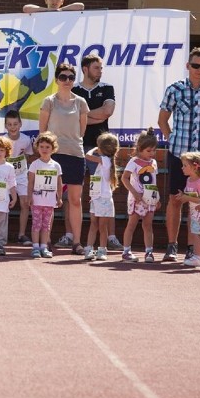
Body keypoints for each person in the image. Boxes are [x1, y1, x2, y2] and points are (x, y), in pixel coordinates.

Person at [158, 47, 200, 261]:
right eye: (195, 65)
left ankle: (191, 247)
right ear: (188, 65)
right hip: (178, 155)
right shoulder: (175, 89)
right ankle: (171, 245)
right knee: (176, 199)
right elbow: (162, 120)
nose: (199, 69)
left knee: (196, 202)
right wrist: (172, 140)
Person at [73, 53, 122, 251]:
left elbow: (107, 112)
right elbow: (73, 116)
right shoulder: (74, 90)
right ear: (85, 69)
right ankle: (71, 236)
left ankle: (111, 237)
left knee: (105, 192)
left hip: (102, 150)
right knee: (74, 193)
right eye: (96, 68)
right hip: (77, 145)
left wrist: (82, 116)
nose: (100, 72)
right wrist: (90, 116)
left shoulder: (107, 88)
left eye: (101, 68)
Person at [39, 62, 89, 255]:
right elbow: (43, 130)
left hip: (76, 154)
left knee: (75, 200)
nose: (67, 81)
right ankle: (46, 242)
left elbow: (81, 130)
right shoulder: (49, 101)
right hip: (54, 155)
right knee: (49, 199)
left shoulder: (81, 102)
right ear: (57, 80)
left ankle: (77, 242)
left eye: (70, 77)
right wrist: (46, 152)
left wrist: (71, 142)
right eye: (63, 77)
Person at [121, 128, 160, 263]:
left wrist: (157, 197)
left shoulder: (153, 163)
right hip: (136, 199)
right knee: (131, 224)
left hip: (150, 199)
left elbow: (154, 180)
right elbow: (124, 178)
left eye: (154, 150)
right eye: (148, 151)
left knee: (148, 225)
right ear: (139, 149)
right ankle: (126, 251)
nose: (152, 153)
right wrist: (134, 192)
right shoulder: (133, 161)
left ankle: (149, 252)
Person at [27, 132, 63, 259]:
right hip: (37, 199)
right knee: (36, 223)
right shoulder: (35, 164)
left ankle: (44, 246)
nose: (44, 149)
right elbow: (30, 181)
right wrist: (29, 196)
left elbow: (59, 183)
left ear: (53, 148)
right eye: (41, 147)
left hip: (49, 200)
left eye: (47, 147)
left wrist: (59, 197)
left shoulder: (56, 165)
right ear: (37, 148)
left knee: (46, 225)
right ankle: (35, 247)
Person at [83, 132, 119, 262]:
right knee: (93, 224)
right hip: (96, 197)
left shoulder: (105, 160)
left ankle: (102, 249)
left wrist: (95, 148)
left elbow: (87, 155)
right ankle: (89, 249)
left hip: (103, 198)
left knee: (102, 226)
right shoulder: (104, 160)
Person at [4, 110, 34, 245]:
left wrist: (23, 170)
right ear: (5, 126)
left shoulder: (26, 140)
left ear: (20, 124)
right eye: (9, 124)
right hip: (5, 175)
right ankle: (1, 234)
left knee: (25, 203)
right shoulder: (2, 140)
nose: (12, 127)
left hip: (21, 174)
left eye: (15, 124)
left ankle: (21, 234)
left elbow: (28, 155)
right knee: (2, 203)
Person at [175, 151, 200, 268]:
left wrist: (186, 197)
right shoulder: (189, 180)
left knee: (197, 235)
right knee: (194, 233)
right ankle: (199, 255)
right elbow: (190, 194)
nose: (182, 168)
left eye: (185, 165)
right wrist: (182, 195)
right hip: (193, 213)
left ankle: (198, 257)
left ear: (194, 167)